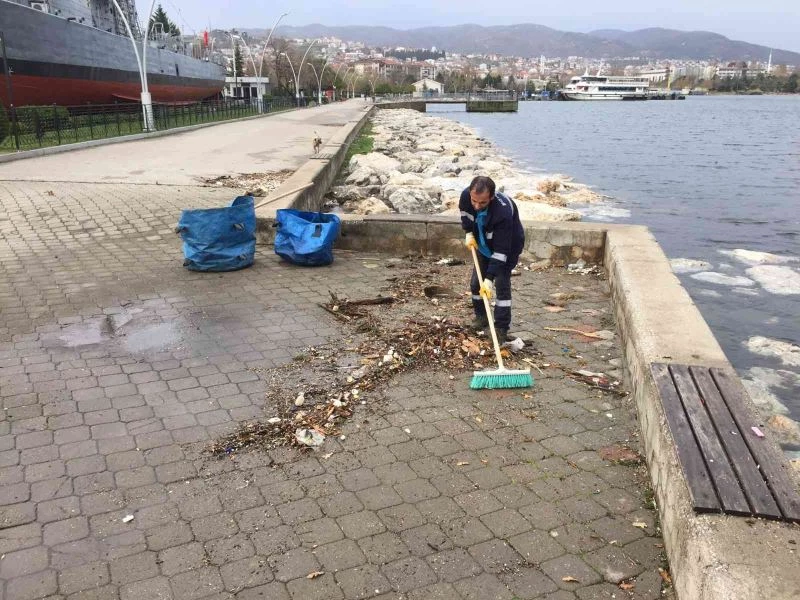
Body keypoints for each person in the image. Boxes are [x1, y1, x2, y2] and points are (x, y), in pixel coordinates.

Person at [460, 176, 525, 343]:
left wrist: (489, 279)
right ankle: (481, 318)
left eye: (482, 203)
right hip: (482, 244)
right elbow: (466, 216)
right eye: (474, 200)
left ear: (491, 197)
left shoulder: (502, 213)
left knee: (501, 284)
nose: (476, 206)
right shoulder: (466, 197)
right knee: (476, 284)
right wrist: (468, 233)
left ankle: (501, 328)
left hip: (507, 248)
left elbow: (501, 251)